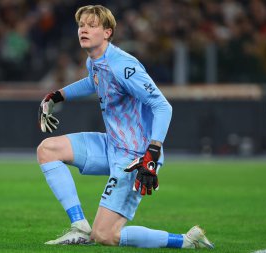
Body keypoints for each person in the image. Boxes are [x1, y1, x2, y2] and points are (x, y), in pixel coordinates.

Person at [37, 5, 214, 249]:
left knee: (105, 235)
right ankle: (79, 227)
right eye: (81, 25)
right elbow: (93, 82)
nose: (83, 30)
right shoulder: (95, 62)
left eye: (91, 25)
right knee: (48, 150)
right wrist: (56, 96)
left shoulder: (124, 66)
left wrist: (152, 154)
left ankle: (185, 241)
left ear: (107, 33)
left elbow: (163, 107)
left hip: (137, 155)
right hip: (113, 145)